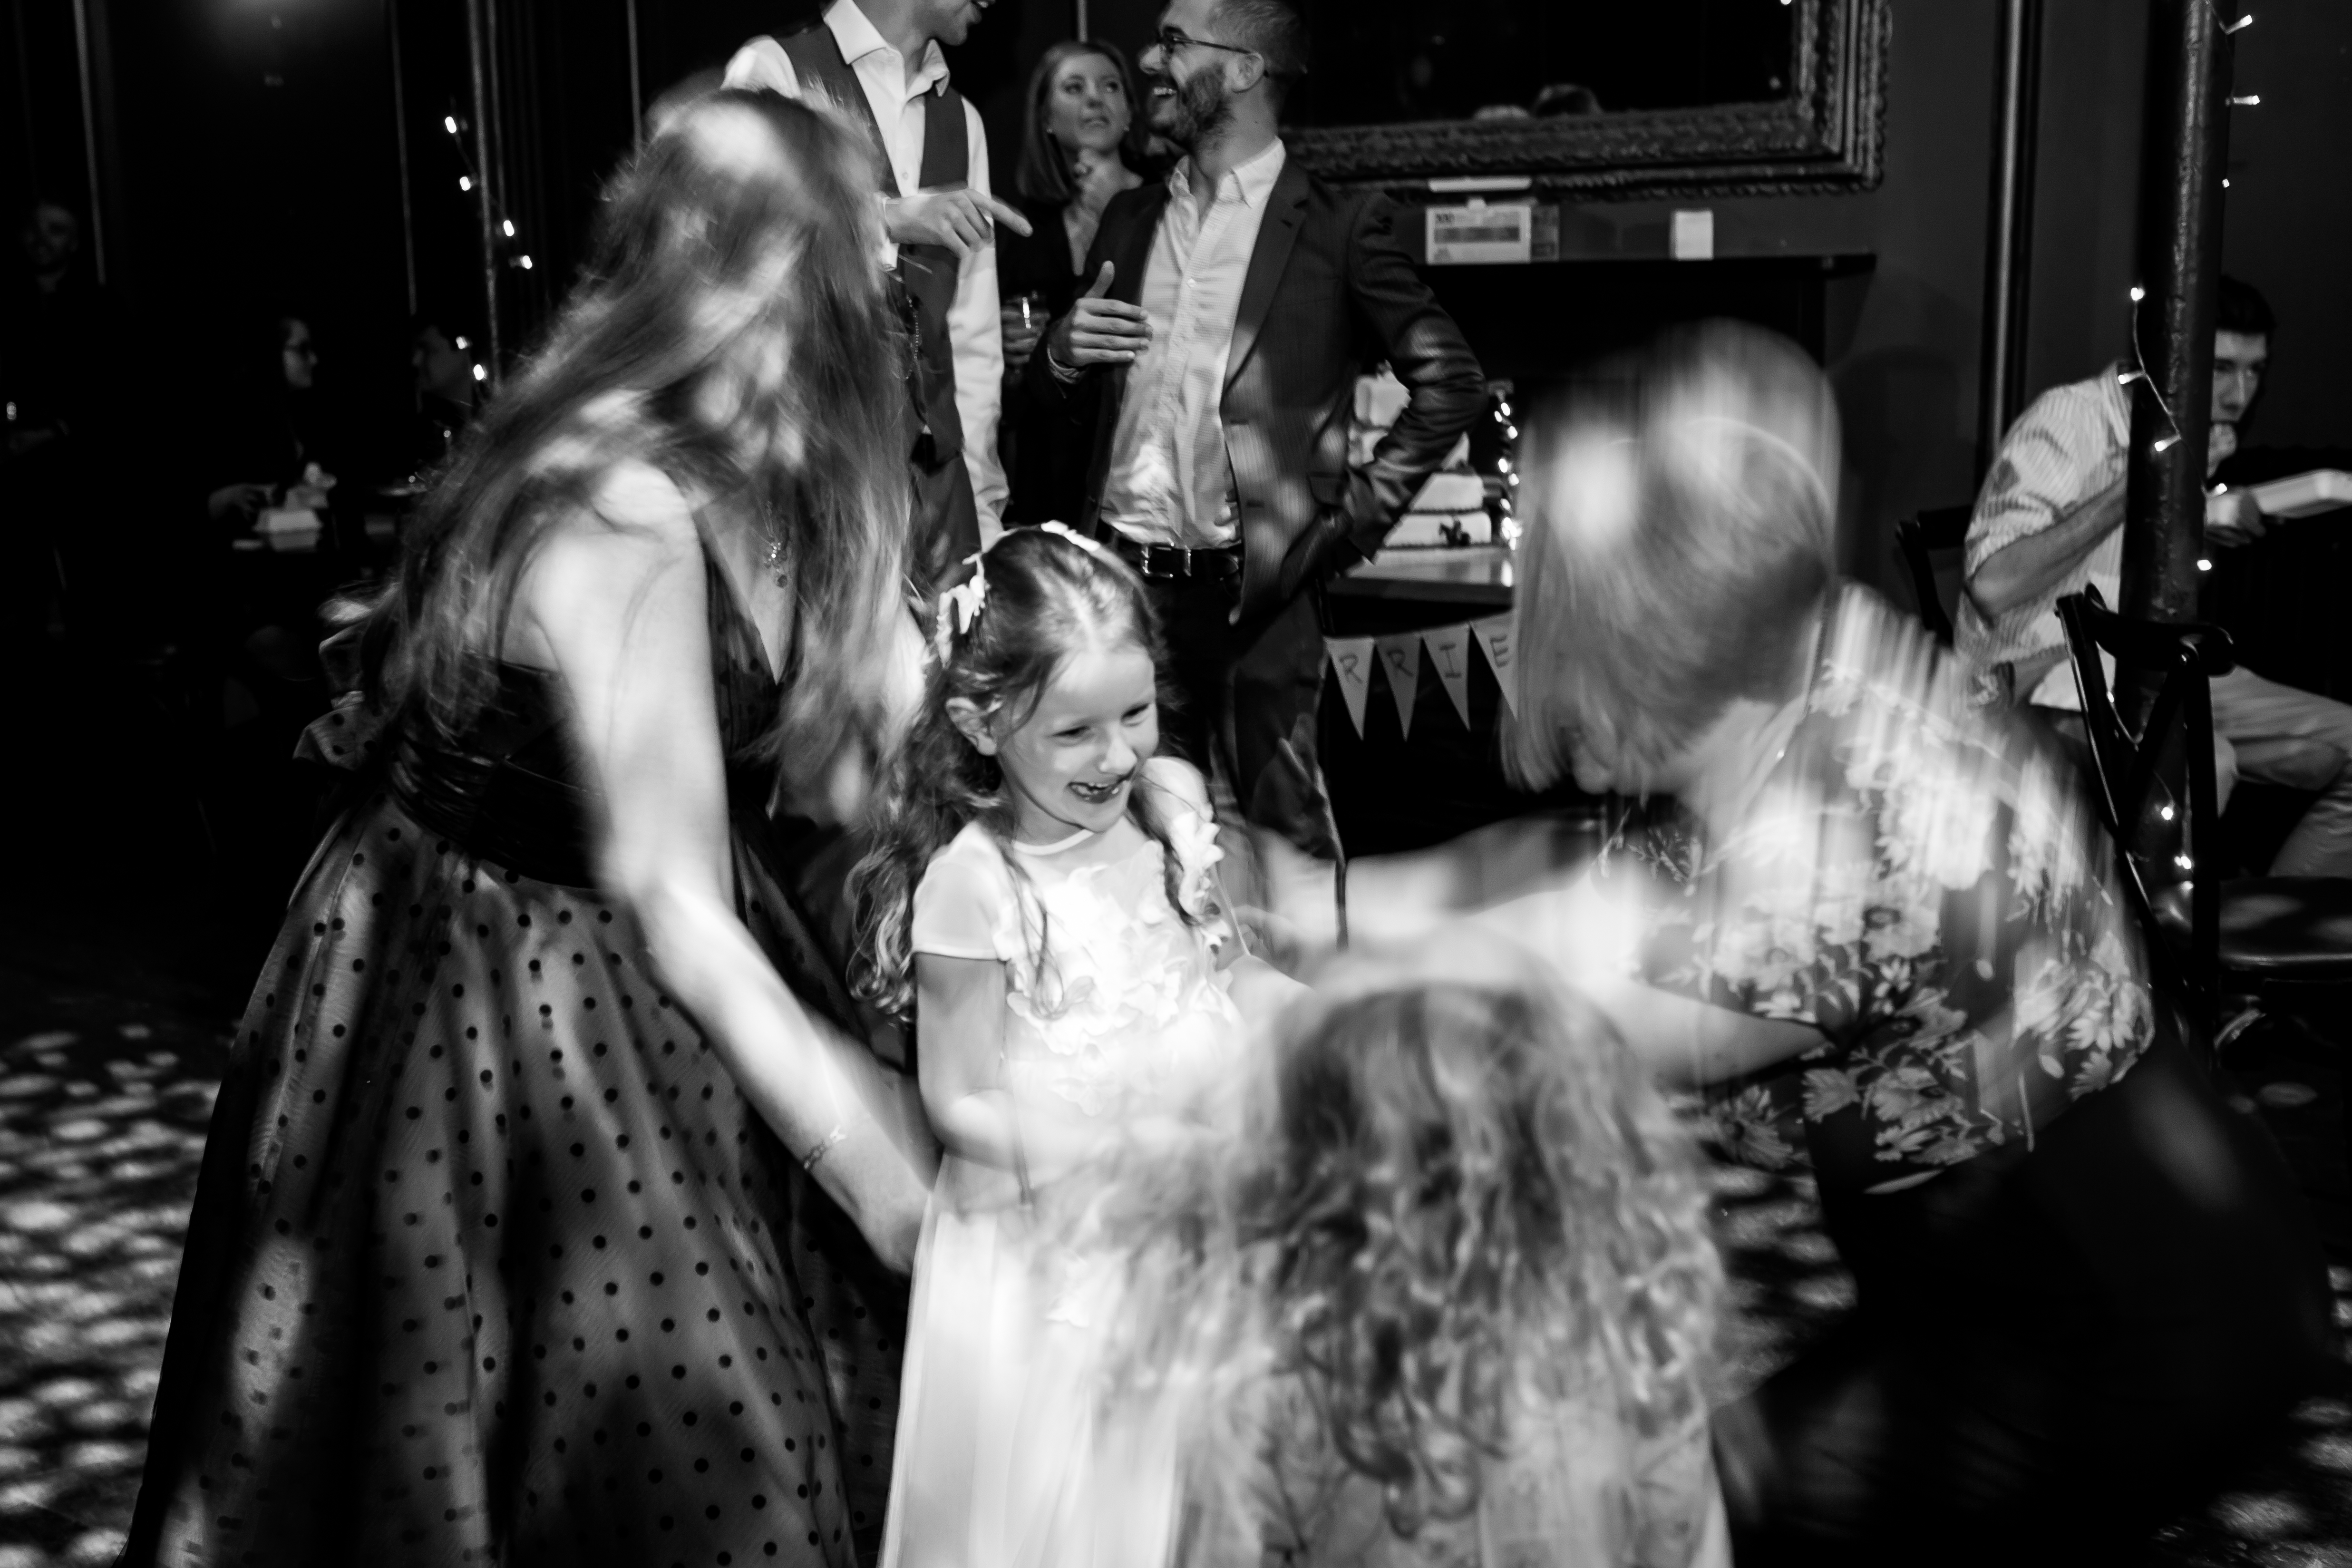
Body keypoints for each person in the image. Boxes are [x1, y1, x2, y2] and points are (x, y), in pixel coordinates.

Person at [122, 90, 934, 1568]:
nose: (891, 266)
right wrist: (878, 1175)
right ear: (772, 273)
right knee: (673, 1421)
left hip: (633, 932)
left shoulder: (747, 458)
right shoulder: (613, 504)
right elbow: (680, 906)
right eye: (860, 236)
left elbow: (827, 765)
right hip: (497, 982)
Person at [1496, 323, 2333, 1566]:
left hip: (2120, 1305)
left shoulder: (1847, 835)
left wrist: (1329, 994)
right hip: (2046, 1254)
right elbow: (1583, 888)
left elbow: (1609, 1032)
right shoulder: (1812, 648)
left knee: (1680, 1514)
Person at [847, 523, 1294, 1567]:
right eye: (1075, 731)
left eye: (1134, 712)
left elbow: (1222, 974)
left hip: (1196, 1214)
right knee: (1073, 1511)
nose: (1118, 753)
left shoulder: (1170, 808)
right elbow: (957, 1100)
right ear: (980, 720)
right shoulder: (976, 880)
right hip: (1047, 1253)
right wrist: (1106, 1150)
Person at [1070, 936, 1730, 1568]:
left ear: (1317, 1156)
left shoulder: (1276, 1368)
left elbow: (1224, 1546)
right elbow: (1686, 1539)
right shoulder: (1633, 1332)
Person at [1027, 0, 1486, 852]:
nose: (1151, 61)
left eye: (1172, 42)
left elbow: (1449, 382)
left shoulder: (1337, 226)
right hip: (1124, 592)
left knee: (1287, 850)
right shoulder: (1131, 220)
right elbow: (1063, 410)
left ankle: (1314, 992)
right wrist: (1056, 357)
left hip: (1256, 599)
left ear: (1241, 70)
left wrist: (1339, 532)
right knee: (1139, 843)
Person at [1957, 274, 2352, 878]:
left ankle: (2259, 934)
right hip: (2041, 679)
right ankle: (2156, 960)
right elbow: (1991, 586)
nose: (2238, 394)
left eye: (2253, 372)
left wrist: (2204, 519)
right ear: (2161, 358)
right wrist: (2145, 479)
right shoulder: (2070, 418)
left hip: (2152, 665)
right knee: (2201, 766)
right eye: (2220, 368)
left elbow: (2133, 556)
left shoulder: (2185, 429)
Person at [726, 0, 1030, 582]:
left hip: (938, 498)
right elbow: (739, 251)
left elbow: (970, 337)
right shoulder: (776, 70)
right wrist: (885, 219)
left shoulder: (963, 120)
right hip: (816, 487)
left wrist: (983, 505)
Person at [998, 39, 1152, 379]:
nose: (1095, 99)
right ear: (1046, 119)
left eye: (1111, 86)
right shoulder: (1025, 228)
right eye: (1074, 88)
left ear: (1128, 112)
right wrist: (1005, 342)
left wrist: (1117, 209)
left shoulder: (1168, 195)